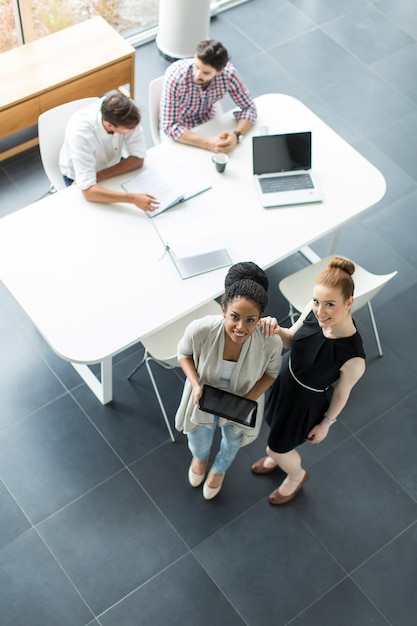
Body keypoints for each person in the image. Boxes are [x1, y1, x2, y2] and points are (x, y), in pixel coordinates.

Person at [252, 257, 366, 505]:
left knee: (276, 446)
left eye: (330, 305)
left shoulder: (354, 359)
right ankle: (279, 454)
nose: (320, 311)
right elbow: (291, 339)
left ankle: (295, 474)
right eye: (317, 302)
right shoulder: (314, 310)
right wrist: (272, 327)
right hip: (285, 379)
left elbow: (341, 393)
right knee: (272, 423)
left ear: (349, 303)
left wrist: (326, 423)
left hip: (304, 402)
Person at [175, 262, 282, 500]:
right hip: (202, 398)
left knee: (232, 441)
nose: (241, 327)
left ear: (260, 317)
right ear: (224, 308)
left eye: (251, 320)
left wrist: (246, 400)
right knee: (199, 437)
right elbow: (183, 354)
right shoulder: (200, 329)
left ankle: (219, 470)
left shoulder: (269, 342)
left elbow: (272, 372)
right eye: (235, 317)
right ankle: (200, 459)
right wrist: (195, 384)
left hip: (240, 404)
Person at [59, 91, 159, 213]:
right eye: (129, 129)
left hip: (111, 164)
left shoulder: (128, 113)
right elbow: (88, 191)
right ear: (109, 125)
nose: (134, 130)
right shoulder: (80, 132)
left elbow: (138, 159)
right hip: (77, 175)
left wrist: (98, 176)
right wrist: (132, 199)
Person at [159, 39, 257, 153]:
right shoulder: (176, 76)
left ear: (219, 71)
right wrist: (208, 143)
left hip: (207, 118)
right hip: (180, 126)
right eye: (196, 67)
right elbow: (170, 126)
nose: (197, 75)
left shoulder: (229, 75)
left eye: (206, 73)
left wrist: (236, 136)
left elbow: (250, 109)